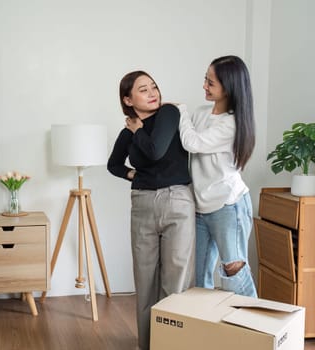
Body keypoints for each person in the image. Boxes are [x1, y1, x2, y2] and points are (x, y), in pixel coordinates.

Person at [107, 71, 195, 350]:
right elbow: (113, 164)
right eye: (143, 89)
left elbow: (156, 150)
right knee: (144, 282)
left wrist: (137, 130)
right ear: (128, 99)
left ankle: (173, 345)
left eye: (154, 86)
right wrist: (133, 175)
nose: (153, 92)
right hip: (142, 204)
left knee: (176, 282)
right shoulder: (128, 132)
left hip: (177, 201)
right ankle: (147, 345)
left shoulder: (169, 113)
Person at [178, 55, 257, 297]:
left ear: (229, 87)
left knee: (233, 270)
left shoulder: (231, 124)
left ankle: (256, 326)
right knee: (200, 276)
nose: (204, 86)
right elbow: (182, 136)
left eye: (210, 83)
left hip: (228, 206)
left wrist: (180, 111)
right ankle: (207, 329)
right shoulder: (201, 113)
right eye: (205, 80)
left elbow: (192, 142)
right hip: (202, 207)